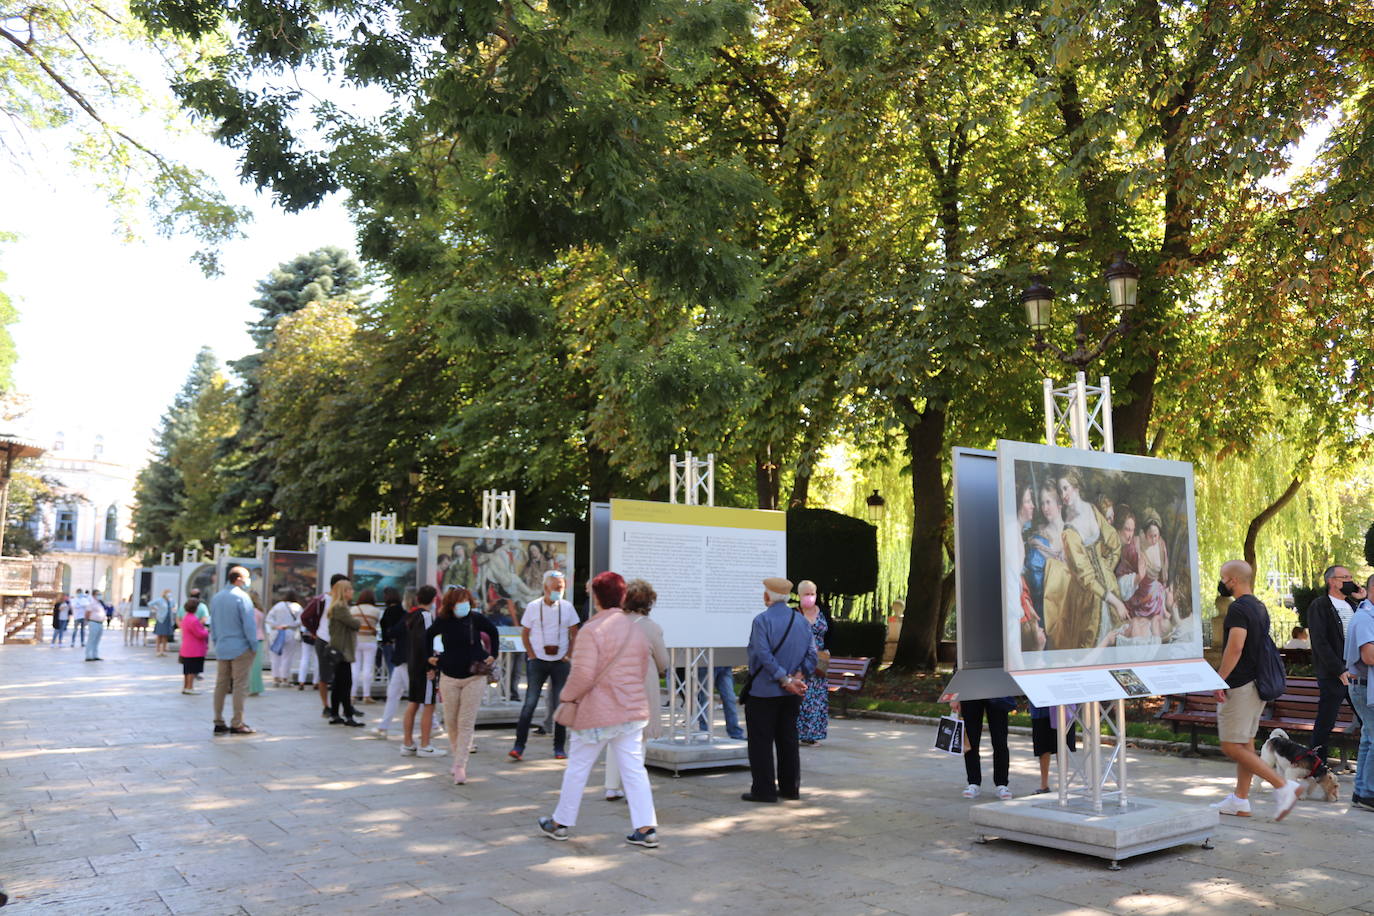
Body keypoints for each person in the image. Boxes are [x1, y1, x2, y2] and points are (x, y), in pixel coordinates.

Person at [537, 571, 659, 848]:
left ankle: (560, 823)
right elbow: (641, 669)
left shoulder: (592, 630)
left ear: (596, 597)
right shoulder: (635, 628)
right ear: (622, 595)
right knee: (634, 769)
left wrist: (566, 698)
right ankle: (645, 827)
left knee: (578, 767)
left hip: (597, 712)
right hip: (631, 710)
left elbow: (582, 675)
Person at [1209, 560, 1300, 820]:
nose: (1222, 583)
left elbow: (1235, 647)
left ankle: (1284, 787)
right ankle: (1240, 800)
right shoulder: (1259, 606)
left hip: (1240, 686)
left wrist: (1220, 679)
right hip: (1256, 685)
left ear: (1233, 580)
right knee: (1245, 745)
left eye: (1223, 578)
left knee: (1230, 746)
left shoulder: (1238, 609)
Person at [741, 576, 817, 804]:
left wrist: (784, 678)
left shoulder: (761, 621)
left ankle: (764, 790)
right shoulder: (802, 621)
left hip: (764, 691)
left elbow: (763, 655)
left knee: (761, 742)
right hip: (791, 694)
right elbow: (812, 654)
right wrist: (797, 677)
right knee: (788, 740)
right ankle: (790, 788)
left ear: (767, 596)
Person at [604, 578, 668, 801]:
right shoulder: (651, 628)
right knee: (639, 737)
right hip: (642, 685)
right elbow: (663, 662)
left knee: (616, 737)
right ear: (649, 602)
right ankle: (634, 787)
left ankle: (611, 786)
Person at [427, 586, 499, 784]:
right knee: (451, 720)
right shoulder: (443, 620)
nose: (464, 605)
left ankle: (460, 764)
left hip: (474, 676)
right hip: (449, 676)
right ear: (451, 604)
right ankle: (457, 755)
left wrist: (494, 655)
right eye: (460, 601)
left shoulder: (475, 618)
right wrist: (431, 658)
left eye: (466, 600)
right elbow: (428, 636)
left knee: (466, 721)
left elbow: (493, 632)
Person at [510, 570, 580, 762]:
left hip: (560, 662)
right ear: (546, 587)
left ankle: (559, 747)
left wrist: (568, 655)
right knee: (530, 703)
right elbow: (525, 633)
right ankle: (519, 746)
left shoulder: (567, 607)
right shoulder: (533, 607)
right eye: (557, 587)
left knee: (559, 705)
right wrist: (532, 655)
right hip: (538, 661)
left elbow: (575, 633)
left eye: (562, 587)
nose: (560, 590)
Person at [1057, 472, 1125, 651]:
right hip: (1086, 597)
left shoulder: (1092, 510)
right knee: (1091, 648)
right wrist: (1116, 601)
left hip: (1108, 587)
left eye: (1066, 488)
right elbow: (1086, 577)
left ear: (1076, 487)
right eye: (1060, 490)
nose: (1063, 494)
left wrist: (1106, 570)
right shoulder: (1069, 532)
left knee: (1117, 644)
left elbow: (1114, 542)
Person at [1307, 565, 1366, 757]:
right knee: (1326, 721)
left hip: (1357, 673)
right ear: (1332, 581)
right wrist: (1339, 669)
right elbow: (1320, 642)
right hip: (1334, 675)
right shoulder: (1320, 605)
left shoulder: (1355, 605)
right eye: (1345, 577)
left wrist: (1363, 599)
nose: (1351, 582)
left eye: (1351, 577)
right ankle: (1317, 764)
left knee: (1366, 719)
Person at [211, 566, 260, 736]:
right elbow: (249, 625)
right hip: (240, 648)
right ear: (238, 579)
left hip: (222, 647)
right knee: (240, 685)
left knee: (221, 684)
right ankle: (237, 722)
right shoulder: (242, 597)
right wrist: (254, 646)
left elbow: (214, 624)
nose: (248, 580)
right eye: (247, 577)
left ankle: (218, 720)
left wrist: (217, 642)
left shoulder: (217, 597)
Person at [400, 585, 444, 756]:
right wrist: (430, 666)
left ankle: (407, 743)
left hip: (413, 664)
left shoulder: (411, 616)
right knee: (428, 705)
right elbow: (425, 643)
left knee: (413, 703)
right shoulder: (425, 616)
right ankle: (425, 745)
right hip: (423, 667)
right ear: (433, 599)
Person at [1343, 575, 1374, 810]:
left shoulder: (1367, 615)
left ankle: (1360, 792)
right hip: (1364, 687)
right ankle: (1369, 793)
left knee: (1368, 739)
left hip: (1363, 685)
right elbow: (1369, 656)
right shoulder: (1365, 617)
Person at [952, 696, 1015, 798]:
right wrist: (955, 697)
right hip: (971, 692)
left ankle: (1002, 784)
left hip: (997, 692)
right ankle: (973, 782)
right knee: (971, 740)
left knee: (1000, 740)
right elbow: (959, 678)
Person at [795, 580, 830, 746]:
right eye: (806, 594)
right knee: (802, 697)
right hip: (800, 660)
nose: (810, 597)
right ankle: (797, 732)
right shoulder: (795, 613)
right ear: (799, 595)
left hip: (819, 661)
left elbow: (831, 634)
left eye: (812, 593)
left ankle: (813, 734)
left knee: (817, 698)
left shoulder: (823, 612)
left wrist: (828, 651)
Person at [326, 578, 364, 726]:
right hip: (342, 651)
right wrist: (358, 622)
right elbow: (354, 624)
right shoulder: (341, 607)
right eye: (350, 589)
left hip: (338, 649)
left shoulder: (336, 606)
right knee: (345, 684)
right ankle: (348, 715)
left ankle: (335, 714)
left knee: (338, 684)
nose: (352, 592)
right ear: (344, 592)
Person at [1028, 703, 1077, 793]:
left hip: (1062, 708)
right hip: (1041, 708)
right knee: (1043, 748)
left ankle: (1063, 784)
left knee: (1062, 747)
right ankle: (1044, 785)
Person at [351, 588, 382, 704]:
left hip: (355, 641)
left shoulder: (353, 609)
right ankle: (366, 695)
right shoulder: (375, 611)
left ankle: (352, 695)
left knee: (354, 668)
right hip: (370, 641)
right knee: (368, 669)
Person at [266, 590, 303, 686]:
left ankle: (275, 677)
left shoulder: (278, 605)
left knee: (275, 655)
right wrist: (290, 624)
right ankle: (284, 678)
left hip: (277, 632)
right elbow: (301, 620)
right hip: (290, 631)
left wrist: (277, 625)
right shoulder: (297, 607)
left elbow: (268, 618)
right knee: (288, 656)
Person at [179, 598, 209, 694]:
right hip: (195, 649)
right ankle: (190, 687)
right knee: (192, 669)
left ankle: (185, 686)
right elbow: (200, 634)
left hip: (186, 648)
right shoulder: (194, 620)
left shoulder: (185, 618)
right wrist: (206, 631)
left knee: (187, 669)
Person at [378, 587, 405, 676]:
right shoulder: (402, 610)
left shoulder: (389, 611)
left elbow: (387, 626)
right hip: (400, 643)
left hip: (389, 643)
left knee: (392, 669)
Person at [248, 593, 267, 696]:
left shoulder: (252, 612)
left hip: (253, 639)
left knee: (252, 666)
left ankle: (252, 688)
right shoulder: (260, 611)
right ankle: (256, 687)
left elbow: (252, 627)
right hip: (260, 638)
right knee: (256, 666)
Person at [82, 589, 106, 661]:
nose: (99, 595)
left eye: (100, 594)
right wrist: (87, 621)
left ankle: (95, 655)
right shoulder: (91, 603)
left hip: (100, 623)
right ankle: (88, 655)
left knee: (97, 640)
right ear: (93, 595)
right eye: (97, 594)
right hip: (93, 622)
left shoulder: (100, 603)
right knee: (91, 639)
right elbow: (87, 613)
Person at [151, 589, 176, 657]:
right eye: (168, 593)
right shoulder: (160, 600)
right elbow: (150, 604)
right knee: (159, 635)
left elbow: (174, 607)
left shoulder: (171, 600)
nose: (169, 595)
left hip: (168, 619)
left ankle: (163, 650)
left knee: (165, 635)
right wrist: (156, 610)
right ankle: (158, 650)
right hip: (161, 619)